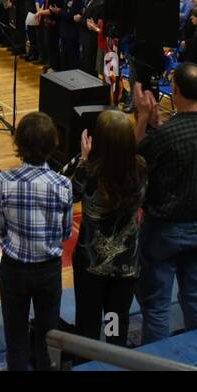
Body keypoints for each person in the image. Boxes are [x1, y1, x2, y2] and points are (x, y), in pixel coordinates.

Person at [131, 62, 197, 340]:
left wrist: (142, 118)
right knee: (196, 296)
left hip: (166, 230)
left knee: (158, 304)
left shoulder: (165, 136)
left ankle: (157, 361)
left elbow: (133, 162)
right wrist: (157, 124)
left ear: (174, 89)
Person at [0, 111, 73, 370]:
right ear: (52, 145)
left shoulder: (3, 181)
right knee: (47, 338)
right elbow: (66, 232)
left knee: (15, 339)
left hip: (14, 269)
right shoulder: (63, 184)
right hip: (48, 270)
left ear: (19, 144)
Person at [63, 109, 146, 347]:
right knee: (115, 325)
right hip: (126, 264)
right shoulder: (139, 167)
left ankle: (87, 362)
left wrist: (82, 159)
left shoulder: (89, 171)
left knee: (87, 325)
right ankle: (112, 359)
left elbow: (69, 195)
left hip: (92, 264)